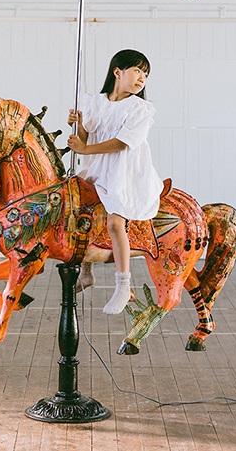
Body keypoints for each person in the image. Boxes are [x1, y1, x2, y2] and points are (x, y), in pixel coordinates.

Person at [67, 49, 164, 314]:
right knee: (80, 213)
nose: (142, 77)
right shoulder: (94, 103)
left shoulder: (140, 109)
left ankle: (123, 285)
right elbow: (85, 140)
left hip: (125, 173)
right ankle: (86, 271)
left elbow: (122, 143)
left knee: (114, 222)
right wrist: (78, 126)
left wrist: (84, 150)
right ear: (117, 72)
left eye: (145, 73)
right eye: (137, 70)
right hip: (97, 168)